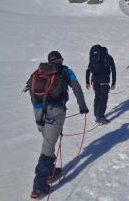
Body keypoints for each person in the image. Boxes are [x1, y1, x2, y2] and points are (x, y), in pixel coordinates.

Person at [24, 51, 89, 199]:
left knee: (48, 142)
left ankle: (50, 172)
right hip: (56, 111)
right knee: (48, 146)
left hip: (38, 111)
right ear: (59, 60)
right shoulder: (65, 70)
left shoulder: (38, 72)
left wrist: (38, 109)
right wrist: (82, 106)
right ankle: (39, 186)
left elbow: (30, 89)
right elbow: (77, 88)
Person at [86, 45, 116, 124]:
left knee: (97, 97)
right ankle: (101, 116)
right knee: (103, 98)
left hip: (95, 81)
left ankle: (96, 114)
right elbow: (113, 70)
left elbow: (88, 70)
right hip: (104, 80)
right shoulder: (108, 57)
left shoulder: (94, 57)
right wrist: (113, 82)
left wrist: (87, 82)